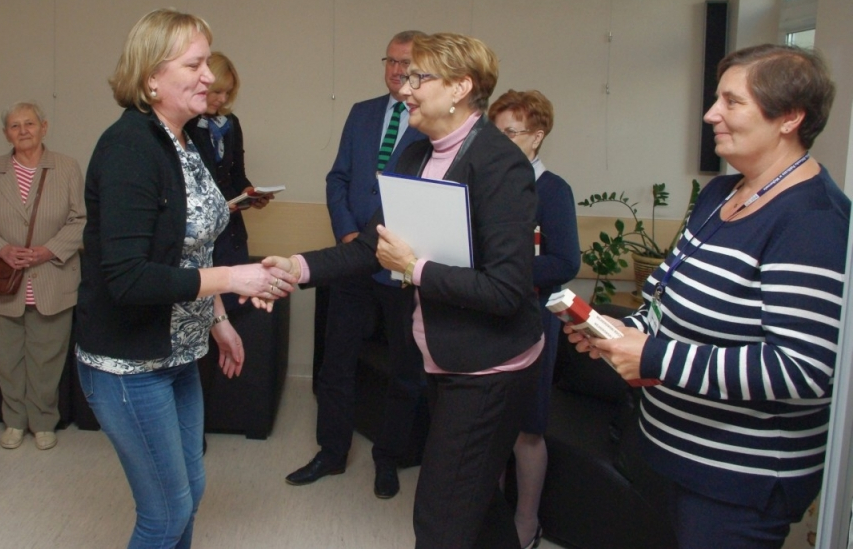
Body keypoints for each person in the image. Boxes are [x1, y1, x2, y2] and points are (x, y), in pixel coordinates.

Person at [264, 32, 543, 547]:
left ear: (461, 87)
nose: (406, 88)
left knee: (439, 524)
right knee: (476, 506)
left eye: (419, 77)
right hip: (444, 355)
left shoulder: (501, 165)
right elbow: (371, 244)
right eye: (405, 75)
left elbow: (506, 290)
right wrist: (294, 268)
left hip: (488, 369)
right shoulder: (416, 153)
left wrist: (413, 269)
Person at [567, 44, 850, 548]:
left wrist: (654, 355)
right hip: (667, 451)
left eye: (731, 102)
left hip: (736, 483)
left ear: (789, 117)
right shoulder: (722, 194)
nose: (710, 114)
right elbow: (665, 294)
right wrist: (626, 335)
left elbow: (804, 369)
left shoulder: (812, 221)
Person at [75, 8, 296, 549]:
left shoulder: (184, 140)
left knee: (191, 487)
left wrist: (217, 319)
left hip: (179, 351)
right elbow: (128, 279)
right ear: (151, 77)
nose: (208, 77)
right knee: (165, 511)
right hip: (130, 364)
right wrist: (231, 279)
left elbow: (188, 249)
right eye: (195, 65)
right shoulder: (130, 146)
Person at [285, 31, 427, 500]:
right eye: (389, 60)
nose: (394, 70)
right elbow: (338, 177)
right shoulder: (362, 113)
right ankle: (331, 452)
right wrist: (349, 235)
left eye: (405, 63)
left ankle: (387, 459)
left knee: (404, 370)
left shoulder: (430, 120)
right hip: (352, 262)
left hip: (403, 266)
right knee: (336, 362)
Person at [0, 101, 85, 451]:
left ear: (44, 127)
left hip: (52, 277)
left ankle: (44, 422)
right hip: (4, 281)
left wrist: (48, 250)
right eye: (15, 126)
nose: (23, 131)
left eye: (29, 124)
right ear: (6, 134)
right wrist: (1, 249)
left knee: (47, 359)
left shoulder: (66, 168)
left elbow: (80, 220)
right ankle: (15, 422)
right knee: (8, 359)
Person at [489, 89, 580, 548]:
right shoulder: (488, 185)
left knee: (528, 427)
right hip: (488, 321)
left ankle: (525, 522)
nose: (501, 142)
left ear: (537, 136)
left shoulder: (553, 190)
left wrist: (506, 272)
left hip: (532, 322)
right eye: (496, 132)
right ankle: (496, 520)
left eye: (512, 133)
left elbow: (566, 262)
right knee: (492, 425)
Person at [185, 52, 272, 313]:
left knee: (234, 312)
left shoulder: (230, 124)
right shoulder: (184, 125)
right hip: (200, 238)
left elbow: (237, 176)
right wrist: (218, 205)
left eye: (228, 93)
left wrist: (249, 194)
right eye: (217, 91)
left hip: (231, 237)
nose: (222, 99)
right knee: (200, 313)